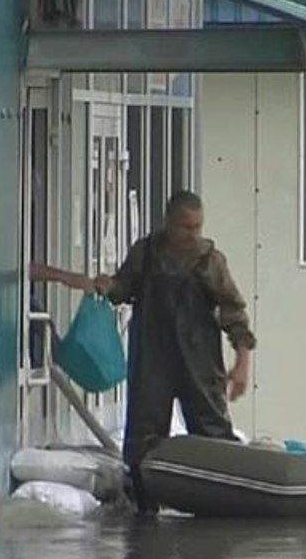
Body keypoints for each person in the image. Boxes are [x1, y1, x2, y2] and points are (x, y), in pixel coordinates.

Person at [33, 190, 256, 512]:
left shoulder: (210, 261)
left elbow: (233, 311)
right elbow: (123, 288)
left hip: (199, 363)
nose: (192, 235)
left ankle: (219, 505)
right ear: (168, 222)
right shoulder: (146, 253)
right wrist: (107, 285)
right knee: (142, 439)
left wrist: (242, 362)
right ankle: (143, 508)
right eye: (186, 227)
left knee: (212, 434)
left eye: (197, 227)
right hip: (152, 359)